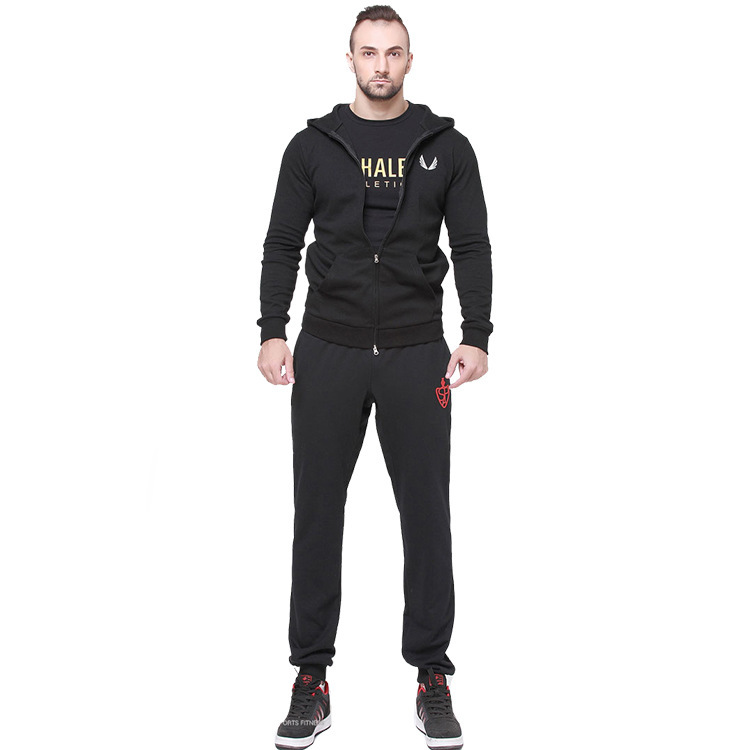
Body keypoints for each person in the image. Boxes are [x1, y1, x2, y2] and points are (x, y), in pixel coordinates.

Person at [257, 6, 492, 749]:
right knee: (316, 514)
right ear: (350, 59)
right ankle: (311, 677)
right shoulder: (311, 147)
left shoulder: (447, 147)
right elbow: (282, 243)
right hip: (328, 347)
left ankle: (432, 676)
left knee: (426, 516)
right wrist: (272, 329)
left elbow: (473, 244)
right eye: (368, 52)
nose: (381, 65)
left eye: (393, 53)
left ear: (410, 60)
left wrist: (476, 334)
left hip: (418, 351)